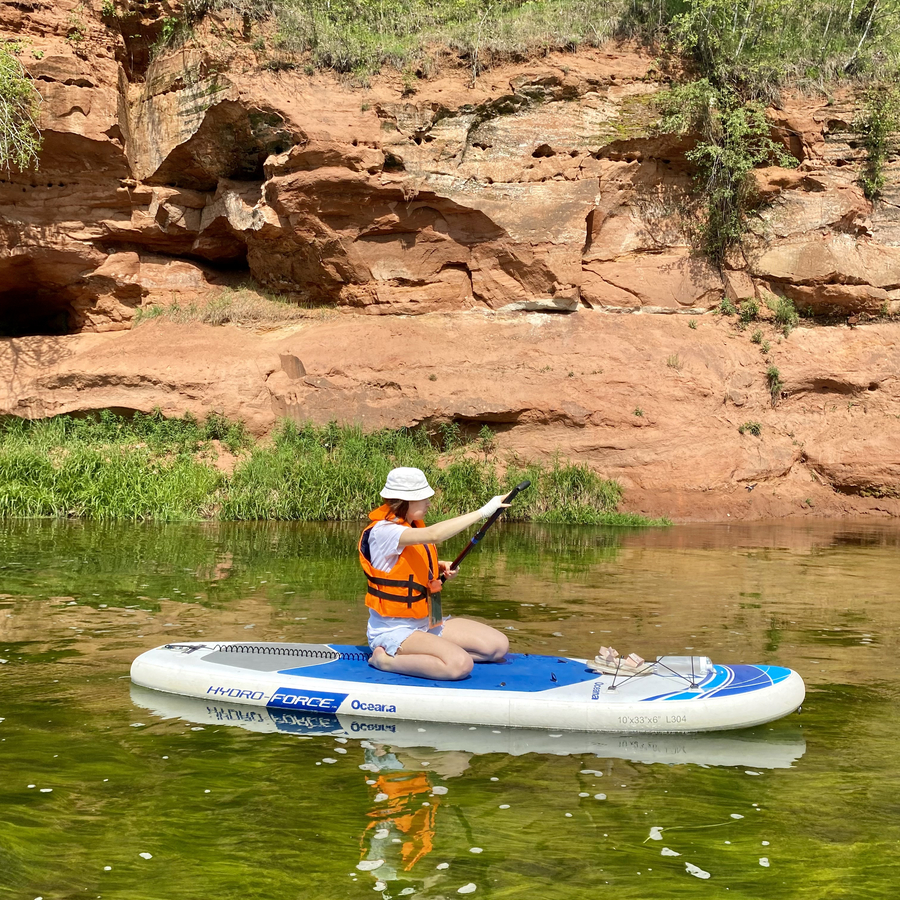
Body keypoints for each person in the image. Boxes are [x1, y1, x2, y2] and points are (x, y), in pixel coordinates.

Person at [359, 467, 510, 680]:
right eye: (423, 498)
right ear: (405, 501)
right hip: (394, 631)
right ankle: (385, 660)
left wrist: (437, 567)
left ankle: (432, 650)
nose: (429, 503)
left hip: (425, 624)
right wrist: (483, 511)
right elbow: (434, 535)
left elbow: (403, 564)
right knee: (459, 665)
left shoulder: (409, 526)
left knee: (497, 647)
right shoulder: (383, 531)